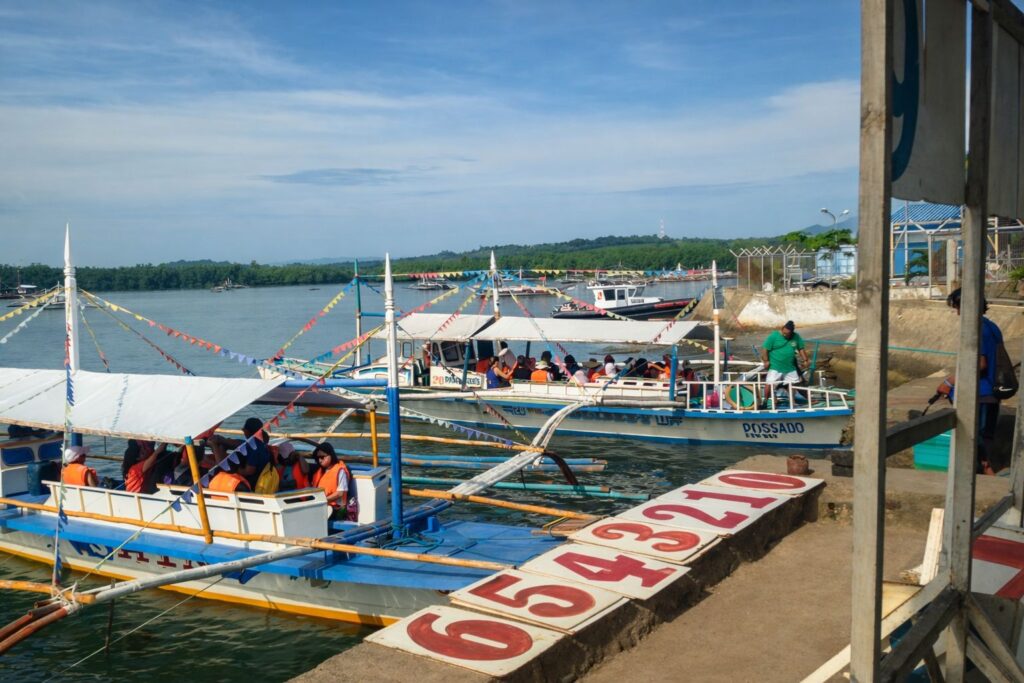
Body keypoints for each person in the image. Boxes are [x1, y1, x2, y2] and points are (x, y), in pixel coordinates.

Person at [943, 288, 1007, 474]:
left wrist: (949, 382)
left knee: (975, 435)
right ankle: (986, 470)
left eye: (958, 308)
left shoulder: (978, 329)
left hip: (981, 392)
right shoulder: (992, 326)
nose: (958, 313)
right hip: (992, 391)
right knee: (985, 435)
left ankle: (987, 471)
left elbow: (980, 363)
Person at [761, 321, 808, 399]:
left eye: (787, 334)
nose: (785, 335)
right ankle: (766, 400)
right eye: (784, 333)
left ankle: (793, 401)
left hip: (790, 367)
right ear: (782, 329)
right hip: (775, 366)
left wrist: (805, 360)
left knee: (793, 384)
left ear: (792, 332)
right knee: (770, 383)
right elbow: (765, 349)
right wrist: (766, 361)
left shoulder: (796, 337)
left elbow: (801, 348)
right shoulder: (774, 336)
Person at [312, 442, 356, 520]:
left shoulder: (340, 471)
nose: (320, 460)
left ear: (331, 455)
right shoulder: (320, 472)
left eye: (322, 457)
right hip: (322, 505)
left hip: (336, 509)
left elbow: (340, 493)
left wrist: (323, 500)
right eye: (318, 458)